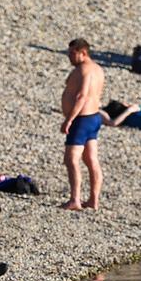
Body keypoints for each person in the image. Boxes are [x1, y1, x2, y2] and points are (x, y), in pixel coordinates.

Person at [60, 38, 105, 212]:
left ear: (83, 53)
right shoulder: (98, 69)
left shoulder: (84, 70)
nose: (69, 57)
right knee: (91, 159)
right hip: (94, 117)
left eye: (72, 53)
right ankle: (93, 200)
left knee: (71, 159)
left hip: (82, 119)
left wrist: (69, 119)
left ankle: (75, 199)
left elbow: (82, 96)